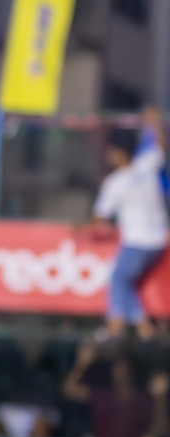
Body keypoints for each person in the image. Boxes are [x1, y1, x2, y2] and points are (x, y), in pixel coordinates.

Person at [85, 111, 168, 341]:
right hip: (158, 240)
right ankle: (138, 325)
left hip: (138, 241)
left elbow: (100, 217)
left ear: (119, 153)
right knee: (123, 279)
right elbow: (161, 146)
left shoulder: (116, 183)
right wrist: (155, 124)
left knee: (117, 279)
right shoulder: (146, 165)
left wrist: (78, 228)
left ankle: (120, 326)